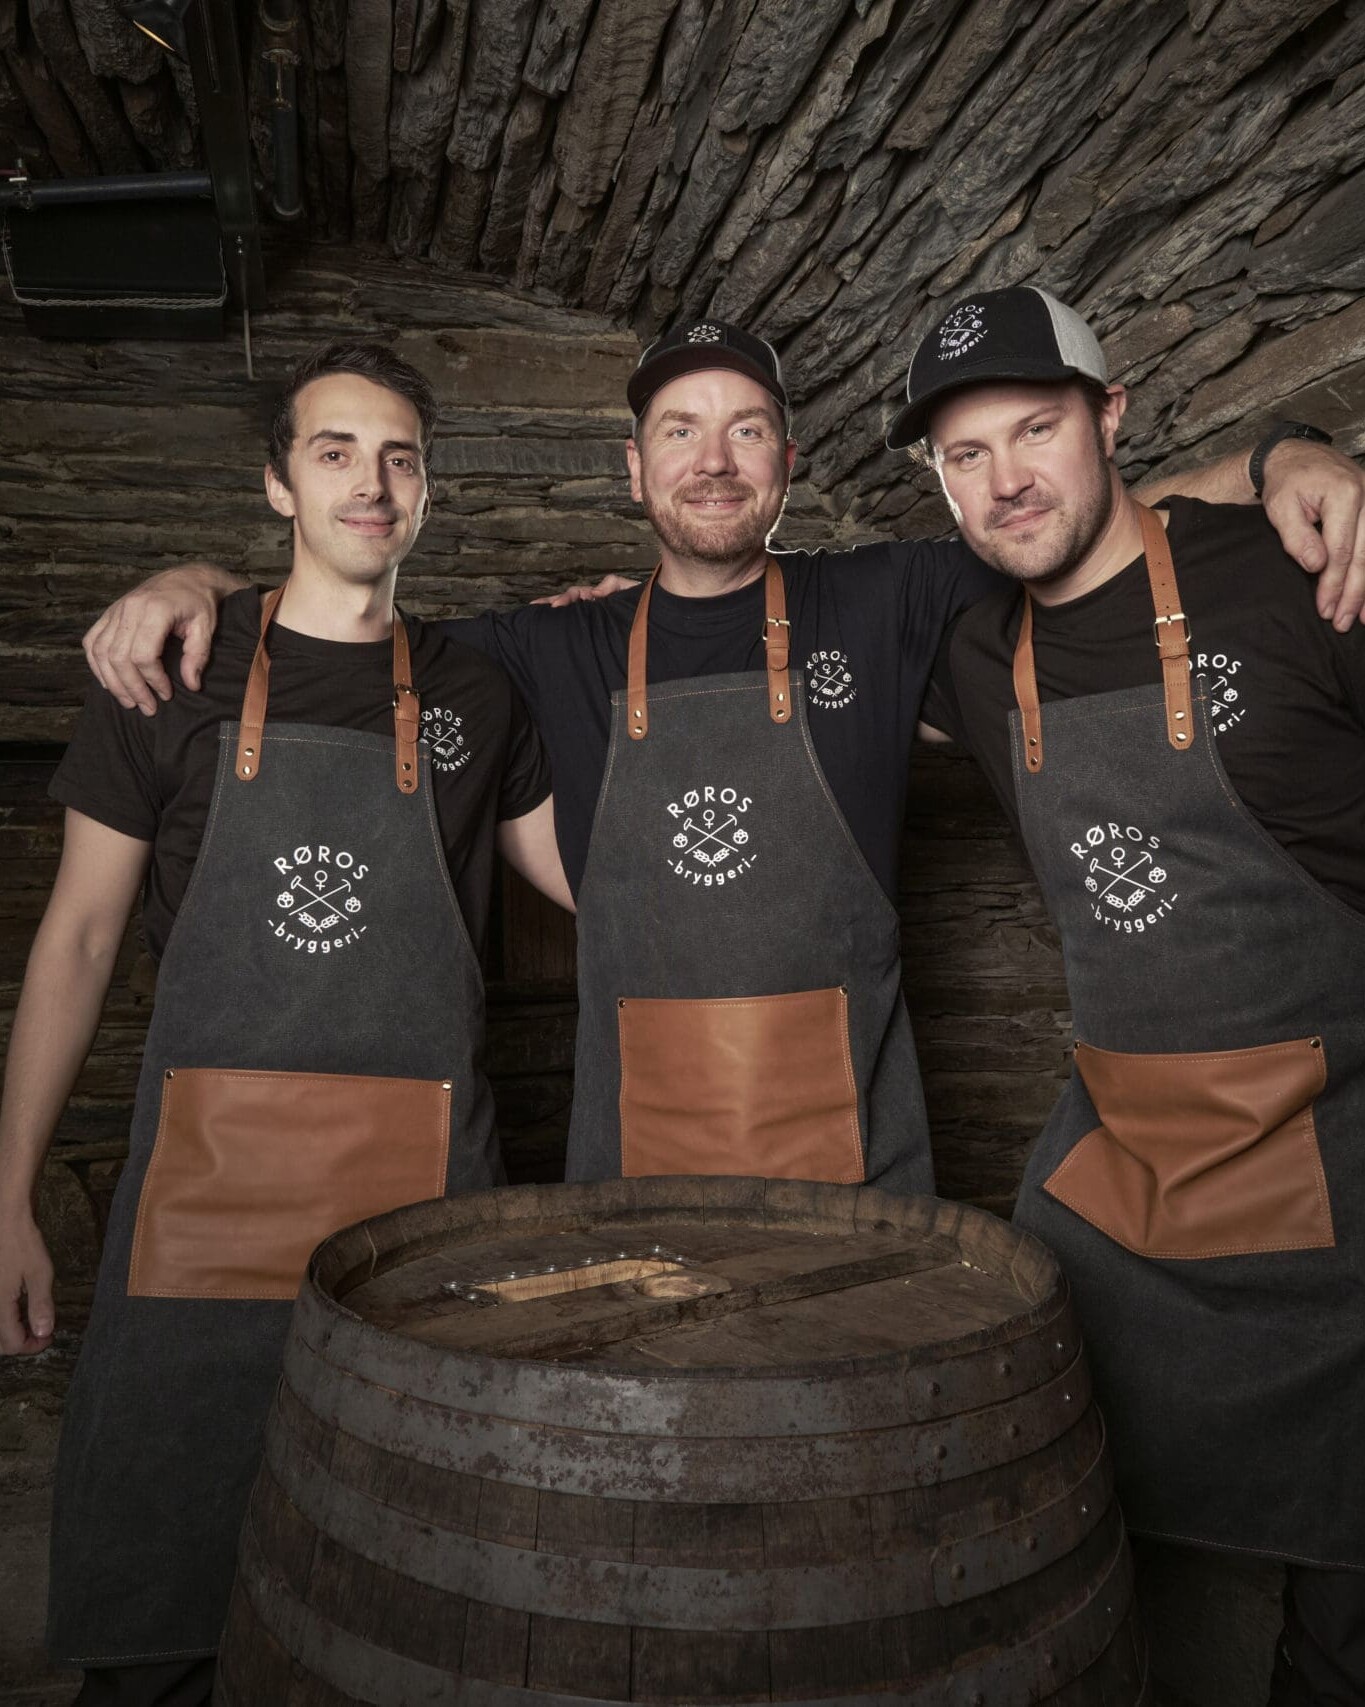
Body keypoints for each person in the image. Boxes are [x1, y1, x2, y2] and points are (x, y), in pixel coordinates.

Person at [78, 322, 1365, 1200]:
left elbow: (1071, 524)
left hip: (858, 1168)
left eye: (749, 430)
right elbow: (342, 616)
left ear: (788, 468)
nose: (713, 458)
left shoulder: (890, 600)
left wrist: (1275, 460)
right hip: (630, 1177)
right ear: (633, 471)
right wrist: (195, 586)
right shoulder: (542, 650)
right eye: (682, 430)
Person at [0, 340, 566, 1703]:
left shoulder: (481, 694)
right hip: (201, 1202)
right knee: (165, 1602)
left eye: (400, 457)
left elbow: (603, 896)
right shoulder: (170, 675)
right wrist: (6, 1190)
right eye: (335, 452)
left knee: (416, 1594)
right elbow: (75, 939)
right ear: (275, 485)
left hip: (425, 1206)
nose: (372, 484)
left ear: (425, 490)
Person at [908, 287, 1365, 1705]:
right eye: (965, 454)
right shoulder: (975, 646)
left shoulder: (1300, 571)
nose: (1007, 481)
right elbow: (726, 608)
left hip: (1346, 1185)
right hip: (1130, 1198)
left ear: (1112, 417)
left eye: (1036, 430)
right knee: (1094, 1591)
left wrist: (1291, 454)